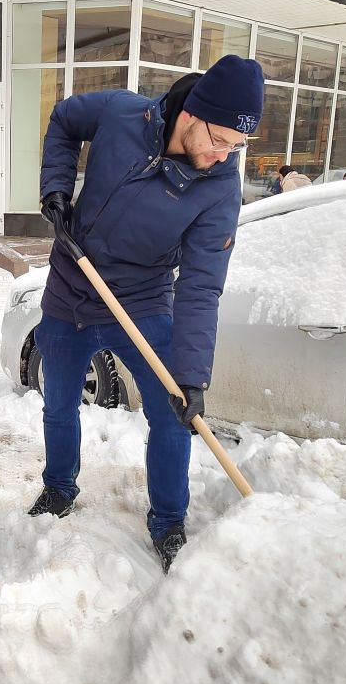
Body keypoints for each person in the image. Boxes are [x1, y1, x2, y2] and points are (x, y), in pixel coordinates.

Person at [31, 55, 265, 573]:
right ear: (191, 116)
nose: (224, 156)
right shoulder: (122, 114)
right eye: (220, 139)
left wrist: (192, 374)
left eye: (236, 146)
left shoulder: (219, 188)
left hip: (142, 301)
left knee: (171, 412)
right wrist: (56, 190)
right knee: (59, 403)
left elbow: (203, 284)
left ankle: (168, 521)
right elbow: (66, 121)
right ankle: (59, 487)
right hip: (71, 284)